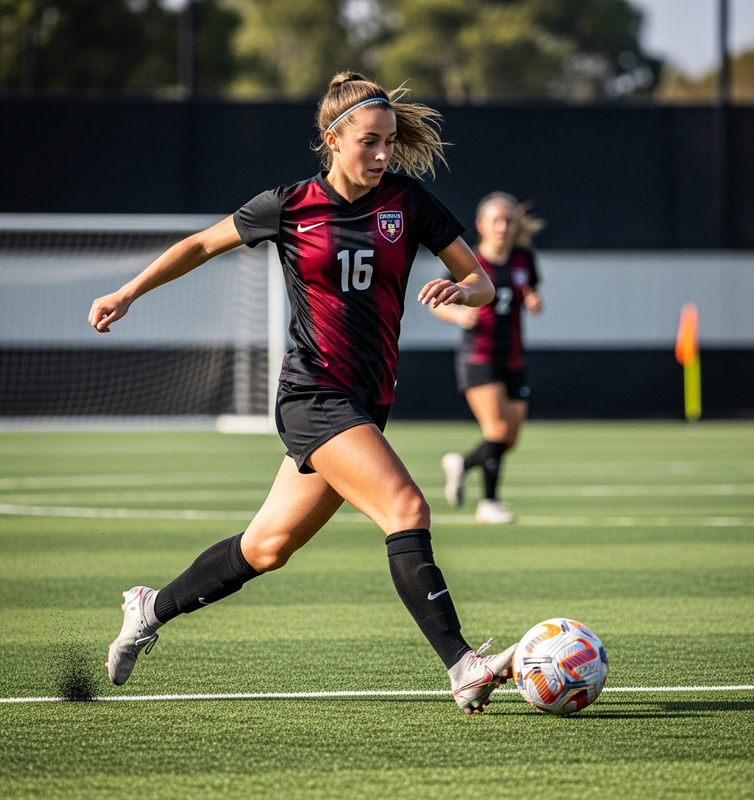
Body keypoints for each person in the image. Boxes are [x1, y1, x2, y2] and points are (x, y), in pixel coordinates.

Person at [88, 72, 516, 715]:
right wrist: (127, 292)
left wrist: (465, 291)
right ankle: (462, 665)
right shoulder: (289, 205)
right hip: (314, 394)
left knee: (266, 548)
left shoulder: (409, 202)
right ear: (332, 139)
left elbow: (480, 281)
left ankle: (151, 608)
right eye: (368, 142)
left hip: (368, 401)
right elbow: (203, 243)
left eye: (389, 143)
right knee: (406, 508)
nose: (381, 155)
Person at [431, 191, 543, 524]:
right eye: (496, 220)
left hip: (514, 358)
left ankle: (461, 464)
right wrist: (458, 316)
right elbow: (440, 301)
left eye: (509, 220)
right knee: (496, 430)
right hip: (478, 357)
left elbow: (529, 291)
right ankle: (489, 503)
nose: (503, 227)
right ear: (481, 224)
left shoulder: (524, 259)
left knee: (509, 438)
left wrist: (535, 300)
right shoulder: (470, 263)